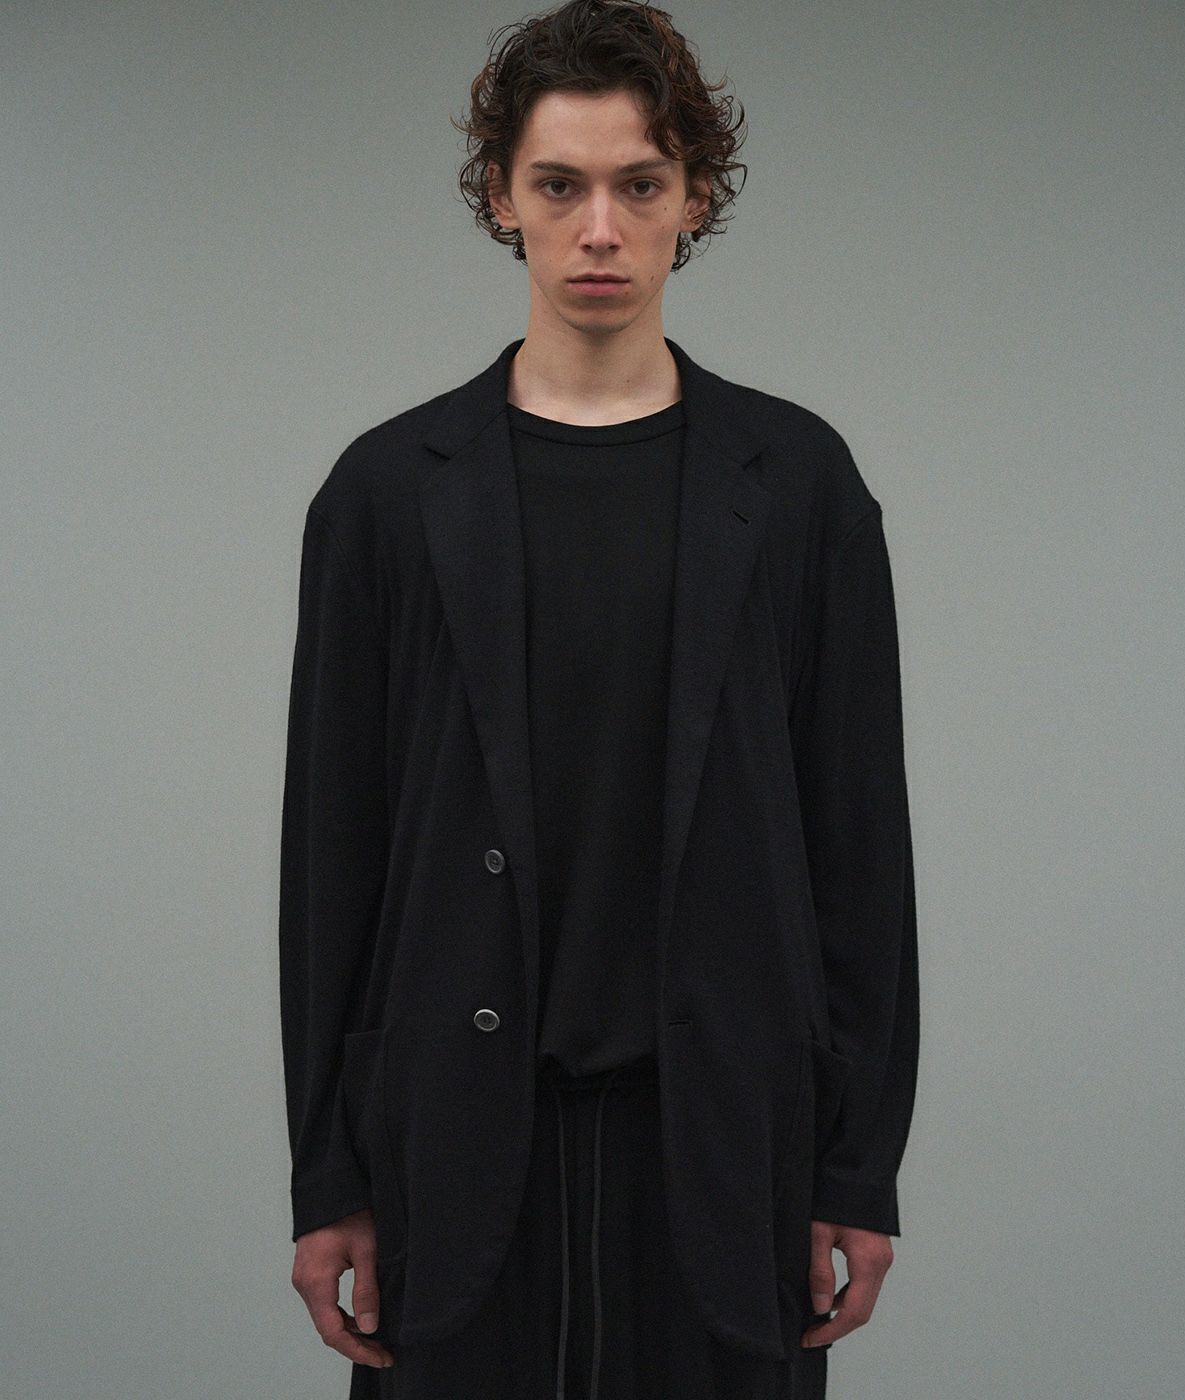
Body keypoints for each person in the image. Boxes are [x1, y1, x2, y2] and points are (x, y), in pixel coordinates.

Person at [279, 3, 919, 1397]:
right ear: (500, 195)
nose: (601, 231)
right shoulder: (386, 496)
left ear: (696, 195)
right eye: (560, 186)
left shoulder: (798, 487)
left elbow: (862, 848)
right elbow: (331, 861)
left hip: (724, 1142)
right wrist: (327, 1171)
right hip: (455, 1141)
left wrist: (858, 1162)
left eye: (640, 184)